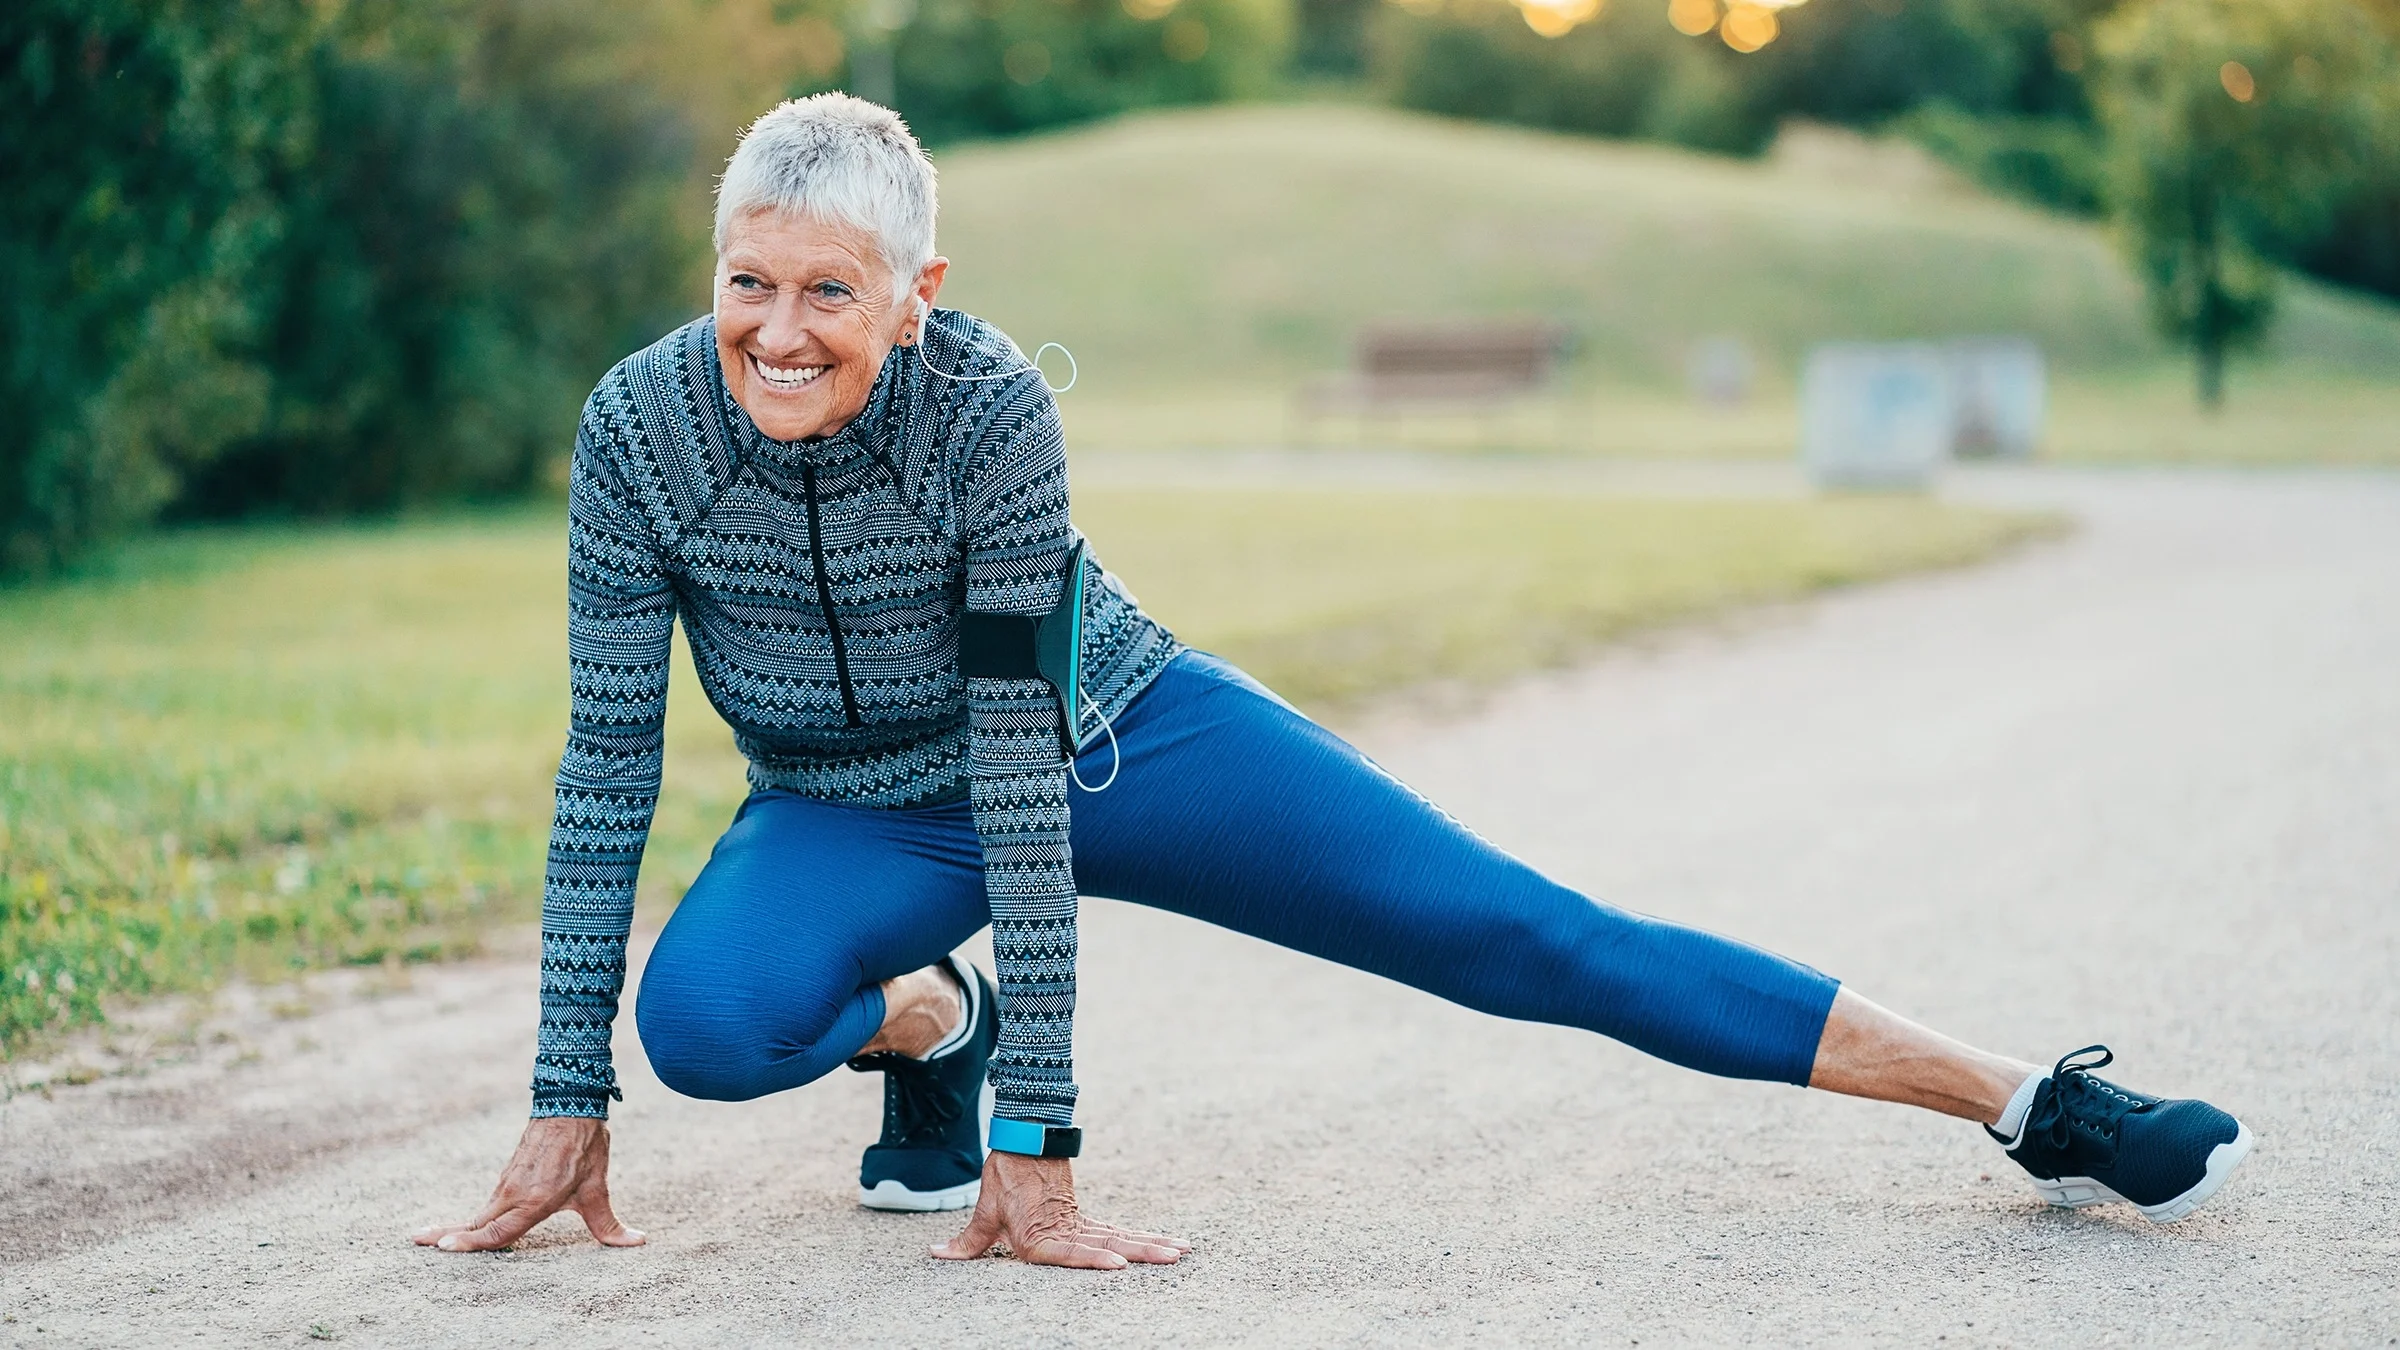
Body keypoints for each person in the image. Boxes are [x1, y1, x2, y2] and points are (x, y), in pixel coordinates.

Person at [413, 94, 2251, 1270]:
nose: (780, 332)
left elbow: (1019, 774)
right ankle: (926, 1024)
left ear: (919, 291)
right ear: (710, 268)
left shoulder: (990, 418)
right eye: (750, 283)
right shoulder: (640, 431)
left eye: (832, 291)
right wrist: (566, 1087)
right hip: (842, 807)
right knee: (709, 1027)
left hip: (1107, 737)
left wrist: (1042, 1144)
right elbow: (603, 768)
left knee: (1528, 936)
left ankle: (2027, 1098)